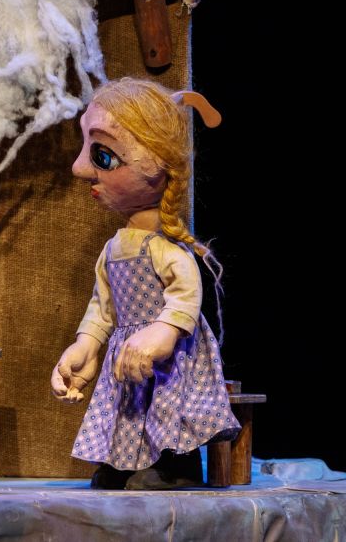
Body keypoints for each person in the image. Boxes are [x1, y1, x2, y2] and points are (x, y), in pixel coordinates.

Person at [50, 77, 239, 490]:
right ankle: (123, 464)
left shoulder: (165, 248)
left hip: (171, 356)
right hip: (126, 350)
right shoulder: (113, 249)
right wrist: (86, 345)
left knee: (168, 402)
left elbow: (186, 295)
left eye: (102, 155)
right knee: (130, 408)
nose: (80, 169)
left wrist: (164, 331)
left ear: (156, 162)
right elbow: (103, 307)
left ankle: (176, 465)